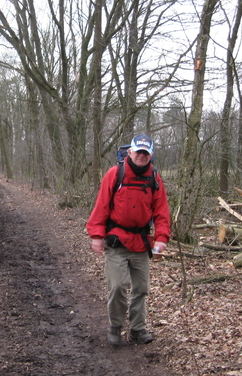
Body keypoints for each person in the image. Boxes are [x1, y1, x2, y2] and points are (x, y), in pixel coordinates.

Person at [86, 133, 171, 345]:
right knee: (118, 286)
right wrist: (97, 235)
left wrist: (161, 238)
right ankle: (115, 326)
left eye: (146, 153)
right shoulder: (115, 174)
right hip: (117, 240)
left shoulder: (154, 178)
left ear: (151, 155)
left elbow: (162, 212)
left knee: (141, 289)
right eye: (139, 152)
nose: (142, 156)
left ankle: (137, 329)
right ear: (130, 152)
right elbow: (101, 207)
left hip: (141, 243)